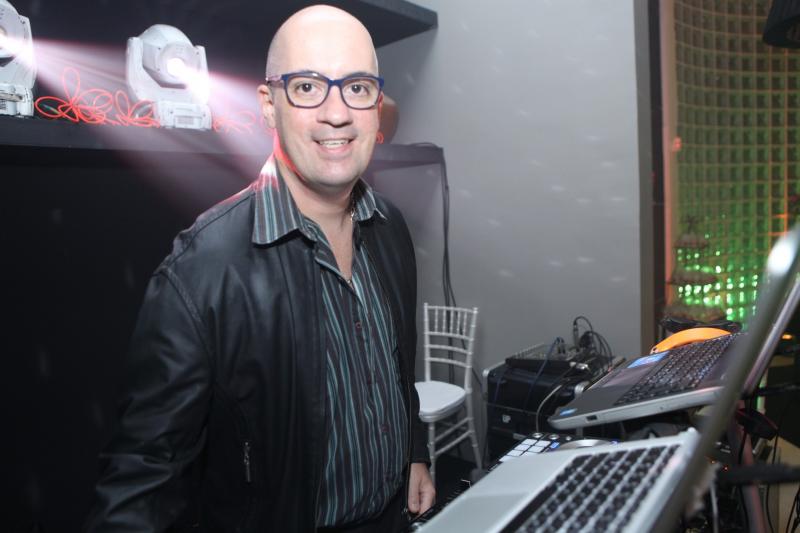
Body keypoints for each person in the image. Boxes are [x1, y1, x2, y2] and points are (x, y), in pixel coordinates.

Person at [86, 5, 434, 532]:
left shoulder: (390, 228)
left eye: (357, 88)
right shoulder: (203, 269)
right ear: (269, 106)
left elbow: (397, 370)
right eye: (307, 87)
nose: (337, 114)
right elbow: (141, 481)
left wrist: (414, 451)